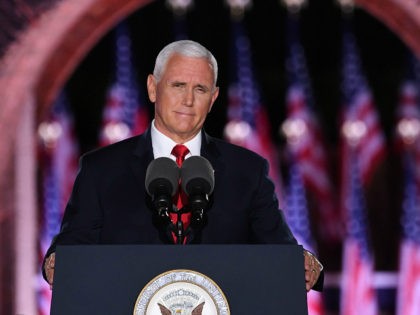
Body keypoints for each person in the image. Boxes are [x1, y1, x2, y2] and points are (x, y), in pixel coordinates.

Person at [43, 39, 323, 292]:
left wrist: (306, 266)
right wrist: (56, 262)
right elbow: (74, 243)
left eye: (200, 89)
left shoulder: (247, 171)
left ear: (213, 99)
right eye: (177, 86)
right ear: (153, 88)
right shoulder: (101, 169)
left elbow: (279, 250)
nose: (188, 100)